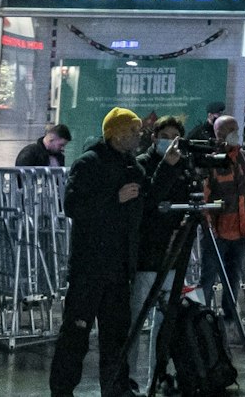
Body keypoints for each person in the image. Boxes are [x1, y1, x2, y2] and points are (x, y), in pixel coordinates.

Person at [49, 107, 143, 397]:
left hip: (118, 269)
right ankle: (62, 390)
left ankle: (116, 389)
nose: (137, 137)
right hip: (89, 269)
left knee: (116, 336)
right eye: (132, 131)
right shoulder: (89, 164)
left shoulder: (133, 167)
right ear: (114, 133)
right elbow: (74, 207)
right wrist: (114, 199)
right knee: (76, 333)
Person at [131, 118, 191, 389]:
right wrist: (167, 167)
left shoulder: (183, 166)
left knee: (166, 319)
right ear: (154, 138)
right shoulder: (143, 163)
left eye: (174, 136)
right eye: (164, 135)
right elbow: (150, 200)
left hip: (173, 251)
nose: (169, 141)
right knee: (136, 316)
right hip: (147, 252)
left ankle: (160, 372)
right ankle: (129, 375)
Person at [202, 116, 245, 320]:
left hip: (241, 230)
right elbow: (204, 196)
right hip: (217, 232)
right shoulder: (210, 161)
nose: (237, 134)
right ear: (219, 135)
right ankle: (203, 317)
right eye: (231, 130)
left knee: (233, 276)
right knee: (208, 277)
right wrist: (210, 227)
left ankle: (230, 316)